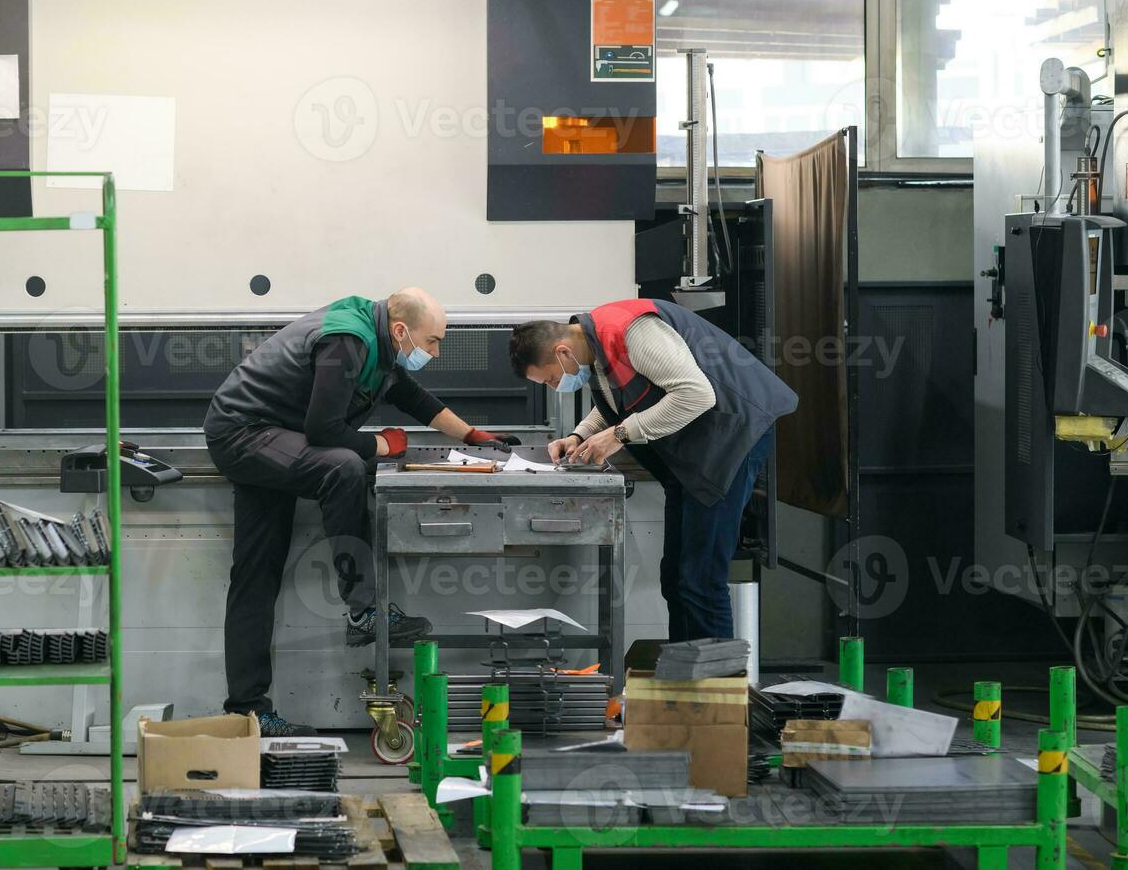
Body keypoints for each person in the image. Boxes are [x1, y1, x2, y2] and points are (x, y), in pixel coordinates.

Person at [204, 287, 521, 735]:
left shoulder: (379, 343)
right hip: (244, 434)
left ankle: (247, 711)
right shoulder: (348, 341)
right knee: (344, 468)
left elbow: (411, 396)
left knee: (256, 575)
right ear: (400, 329)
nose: (435, 351)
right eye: (432, 341)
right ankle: (363, 610)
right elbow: (323, 429)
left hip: (272, 437)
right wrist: (382, 445)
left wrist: (471, 436)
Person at [508, 299, 797, 642]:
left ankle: (715, 687)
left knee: (702, 579)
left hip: (732, 435)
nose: (555, 386)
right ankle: (683, 674)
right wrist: (579, 435)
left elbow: (696, 394)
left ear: (562, 352)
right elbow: (620, 402)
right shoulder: (596, 346)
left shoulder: (632, 332)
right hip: (697, 448)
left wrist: (619, 435)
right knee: (675, 577)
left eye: (552, 378)